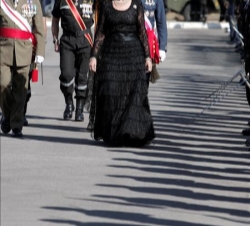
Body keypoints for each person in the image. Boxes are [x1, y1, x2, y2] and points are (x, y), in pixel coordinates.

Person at [88, 0, 155, 147]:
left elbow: (142, 32)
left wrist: (147, 57)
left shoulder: (137, 4)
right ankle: (115, 134)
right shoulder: (106, 5)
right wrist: (93, 56)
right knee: (112, 92)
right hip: (111, 54)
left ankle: (131, 134)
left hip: (133, 55)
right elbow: (100, 32)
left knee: (133, 95)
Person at [0, 0, 46, 137]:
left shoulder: (33, 2)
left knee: (21, 90)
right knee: (2, 84)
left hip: (25, 50)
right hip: (3, 50)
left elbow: (39, 29)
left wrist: (40, 53)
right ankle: (7, 115)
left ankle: (16, 124)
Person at [51, 0, 94, 121]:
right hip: (67, 40)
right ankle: (69, 103)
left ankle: (79, 108)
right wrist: (55, 40)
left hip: (85, 40)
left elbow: (100, 18)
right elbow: (55, 19)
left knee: (82, 77)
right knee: (66, 74)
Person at [23, 0, 48, 126]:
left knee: (24, 81)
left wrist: (40, 49)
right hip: (7, 46)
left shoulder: (35, 2)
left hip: (28, 48)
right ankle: (7, 113)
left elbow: (40, 26)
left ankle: (21, 112)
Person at [141, 0, 167, 85]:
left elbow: (161, 22)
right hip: (130, 45)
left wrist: (162, 47)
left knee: (144, 83)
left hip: (148, 48)